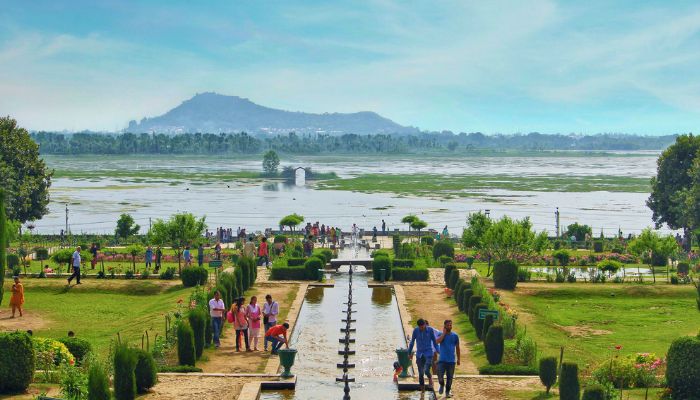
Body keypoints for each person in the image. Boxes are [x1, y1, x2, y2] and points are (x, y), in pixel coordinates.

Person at [408, 318, 438, 391]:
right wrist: (409, 352)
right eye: (420, 327)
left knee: (427, 370)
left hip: (428, 353)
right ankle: (422, 391)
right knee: (421, 373)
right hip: (419, 354)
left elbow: (434, 342)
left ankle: (430, 378)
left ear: (425, 324)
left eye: (423, 326)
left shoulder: (430, 330)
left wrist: (438, 350)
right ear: (418, 326)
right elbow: (412, 342)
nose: (422, 328)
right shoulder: (416, 330)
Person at [436, 319, 461, 398]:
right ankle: (441, 385)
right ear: (445, 326)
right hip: (442, 360)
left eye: (450, 325)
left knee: (449, 378)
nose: (449, 326)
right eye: (448, 325)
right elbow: (437, 341)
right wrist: (443, 334)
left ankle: (447, 392)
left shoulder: (455, 336)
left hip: (451, 361)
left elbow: (457, 348)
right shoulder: (440, 334)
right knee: (440, 376)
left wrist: (459, 359)